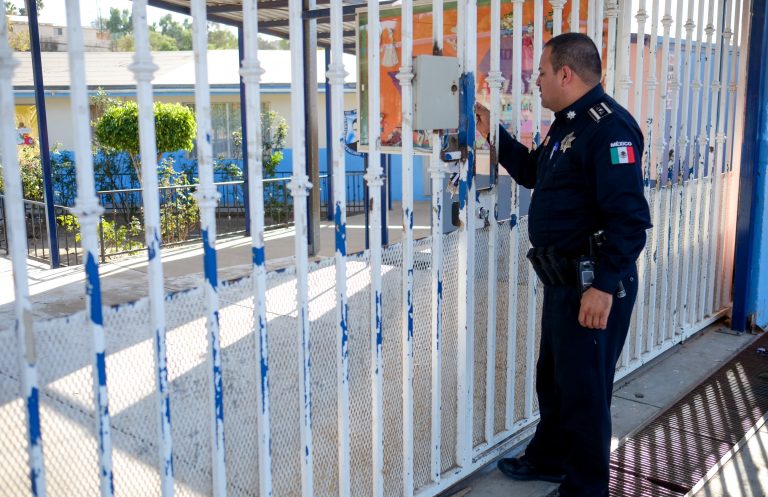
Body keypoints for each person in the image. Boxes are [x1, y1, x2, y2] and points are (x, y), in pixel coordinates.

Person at [475, 33, 651, 497]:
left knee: (585, 395)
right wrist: (493, 133)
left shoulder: (609, 128)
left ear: (566, 75)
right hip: (564, 280)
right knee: (554, 382)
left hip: (593, 283)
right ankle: (550, 459)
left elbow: (630, 221)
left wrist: (604, 285)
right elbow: (535, 172)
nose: (536, 82)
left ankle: (585, 489)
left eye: (542, 73)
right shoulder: (566, 124)